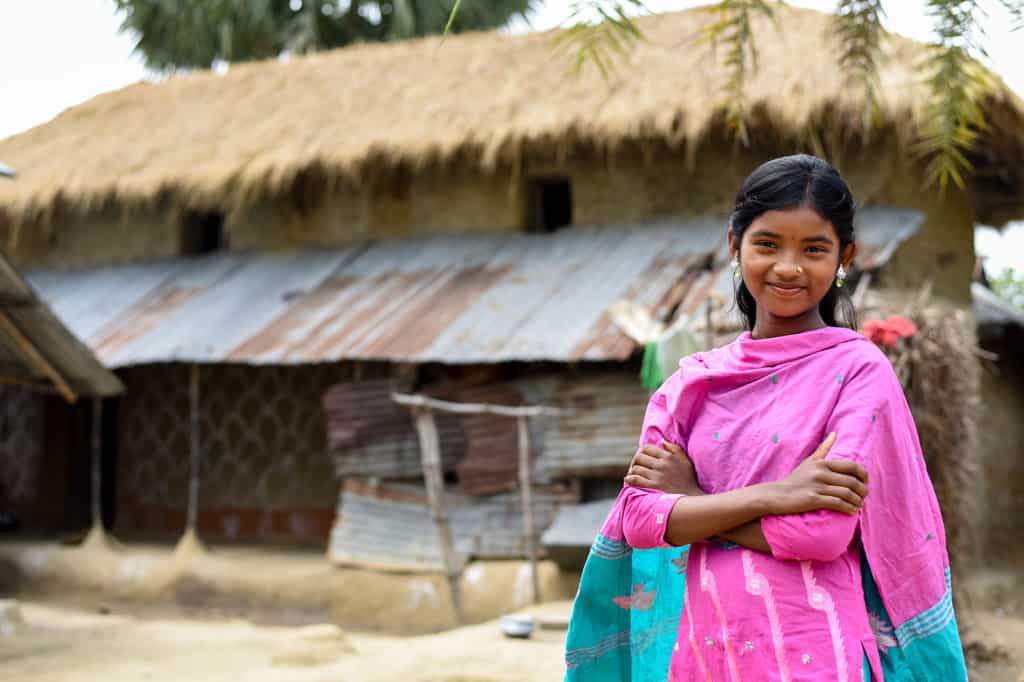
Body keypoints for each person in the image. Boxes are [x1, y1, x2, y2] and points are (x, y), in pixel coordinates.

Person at [564, 154, 967, 682]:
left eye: (814, 249)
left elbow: (821, 533)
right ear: (736, 246)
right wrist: (779, 495)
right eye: (768, 243)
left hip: (818, 656)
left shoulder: (856, 371)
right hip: (705, 656)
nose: (788, 267)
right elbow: (640, 520)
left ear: (846, 256)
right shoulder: (691, 384)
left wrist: (694, 505)